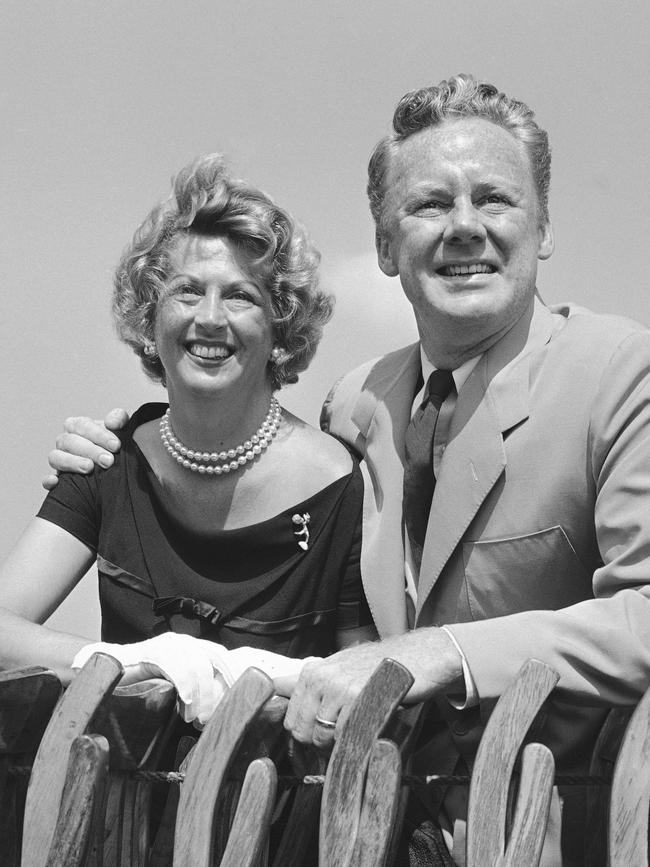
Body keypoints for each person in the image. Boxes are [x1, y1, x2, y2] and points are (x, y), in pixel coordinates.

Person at [44, 76, 650, 864]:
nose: (465, 227)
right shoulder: (354, 402)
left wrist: (439, 654)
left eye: (494, 199)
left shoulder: (622, 373)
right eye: (431, 204)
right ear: (386, 244)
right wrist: (131, 437)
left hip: (572, 834)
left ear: (544, 226)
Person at [0, 153, 375, 726]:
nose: (210, 318)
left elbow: (361, 684)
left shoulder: (343, 490)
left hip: (273, 802)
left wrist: (265, 690)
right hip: (114, 799)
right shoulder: (106, 459)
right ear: (149, 318)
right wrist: (121, 662)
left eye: (241, 296)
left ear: (282, 328)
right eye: (186, 291)